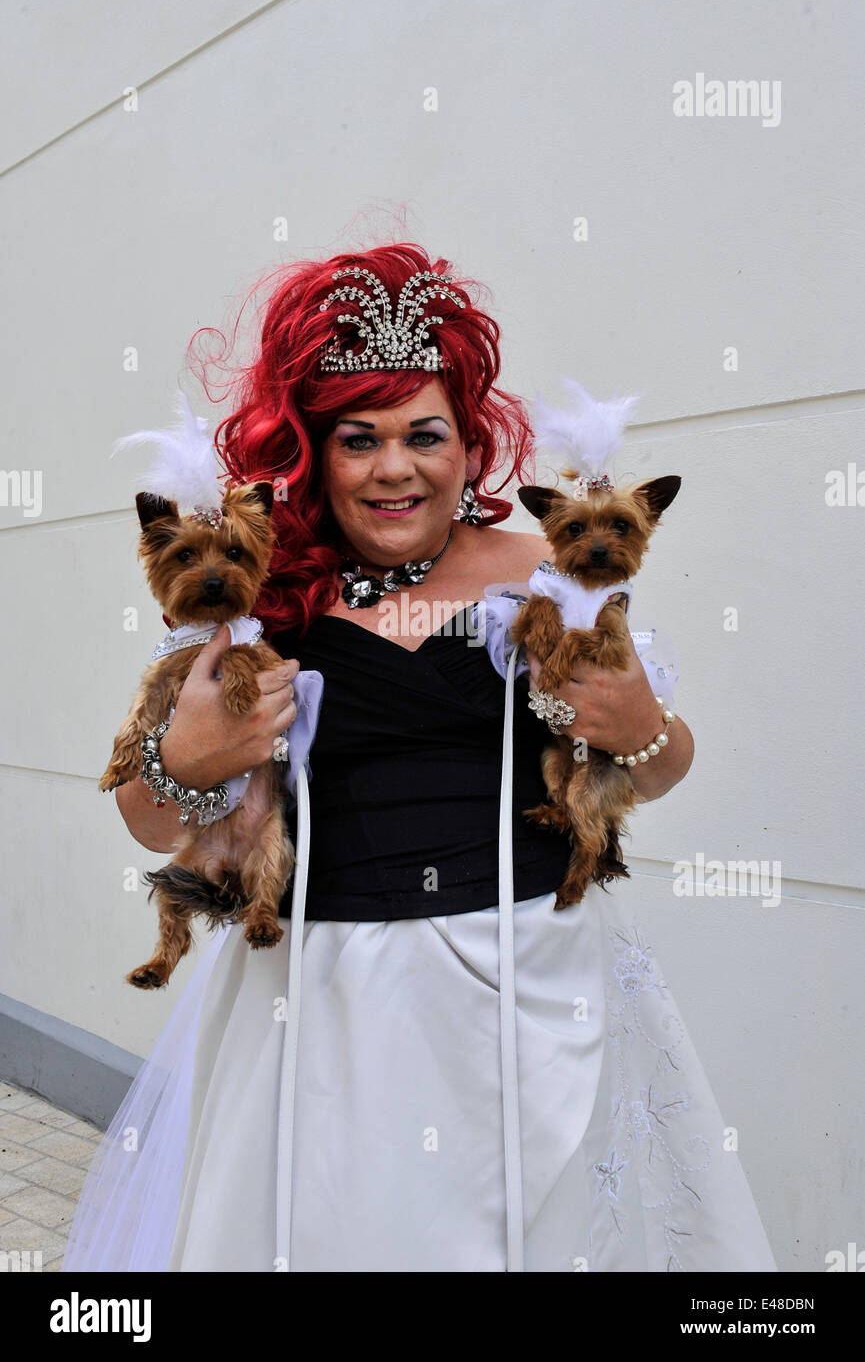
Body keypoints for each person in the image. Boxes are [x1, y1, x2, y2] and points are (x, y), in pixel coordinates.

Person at [62, 241, 776, 1272]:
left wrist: (638, 724)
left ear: (468, 443)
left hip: (536, 976)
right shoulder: (260, 594)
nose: (394, 466)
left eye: (423, 434)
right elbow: (150, 819)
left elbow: (657, 768)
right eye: (358, 438)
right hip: (320, 1000)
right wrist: (190, 752)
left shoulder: (545, 570)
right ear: (314, 451)